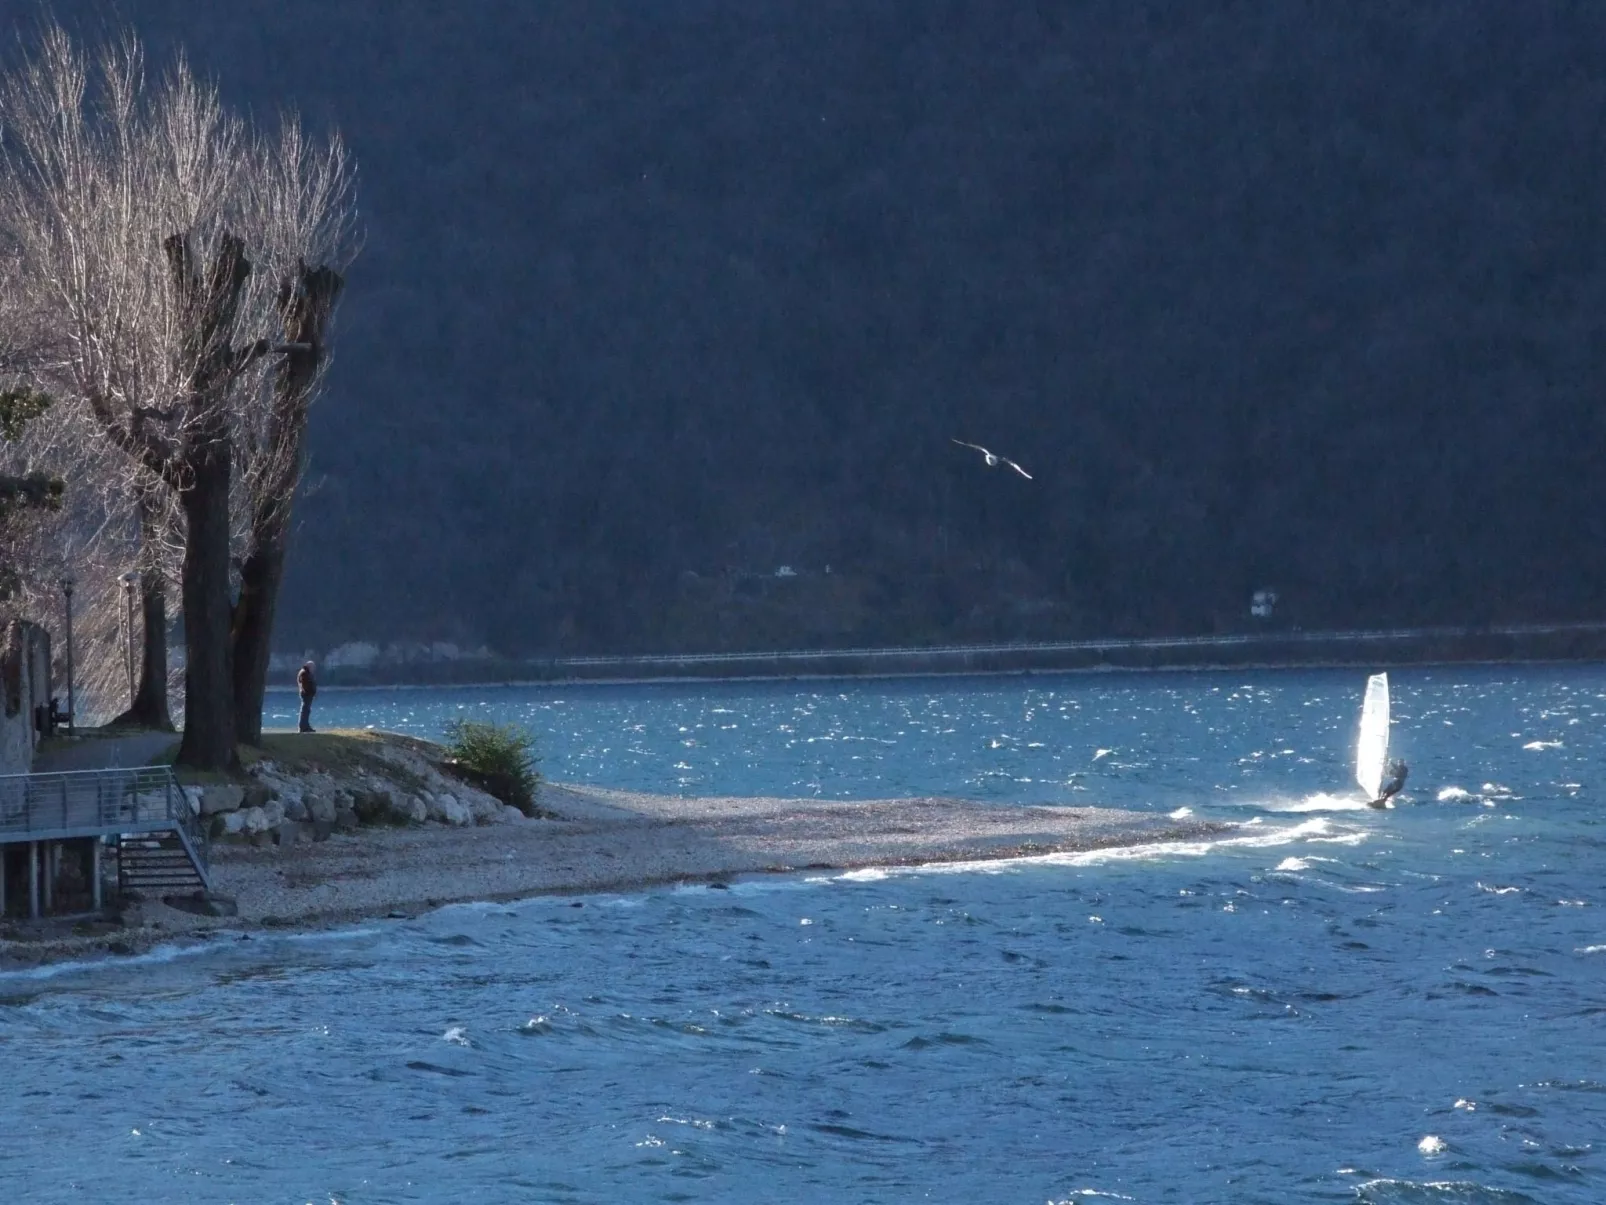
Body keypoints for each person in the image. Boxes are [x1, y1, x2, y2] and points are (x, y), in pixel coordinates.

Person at [296, 660, 318, 733]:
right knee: (305, 710)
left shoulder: (306, 672)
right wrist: (309, 692)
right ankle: (303, 726)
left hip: (308, 694)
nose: (313, 669)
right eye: (312, 667)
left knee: (307, 710)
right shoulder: (304, 673)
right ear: (309, 666)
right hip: (306, 694)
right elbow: (305, 684)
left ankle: (306, 726)